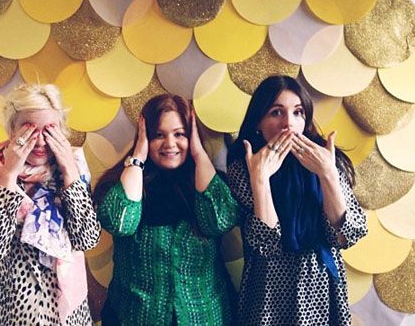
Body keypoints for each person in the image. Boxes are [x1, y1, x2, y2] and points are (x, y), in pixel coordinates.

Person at [227, 75, 367, 326]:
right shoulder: (243, 168)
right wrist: (260, 179)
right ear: (258, 121)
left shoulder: (326, 158)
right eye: (276, 112)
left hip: (320, 287)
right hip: (268, 292)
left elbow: (348, 235)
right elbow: (266, 245)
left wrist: (328, 174)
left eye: (297, 112)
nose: (288, 124)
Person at [94, 93, 238, 325]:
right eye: (158, 135)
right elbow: (121, 224)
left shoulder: (209, 181)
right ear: (144, 137)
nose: (170, 144)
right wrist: (138, 158)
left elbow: (218, 221)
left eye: (179, 134)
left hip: (204, 315)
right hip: (134, 315)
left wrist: (199, 154)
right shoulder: (124, 182)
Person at [0, 83, 101, 326]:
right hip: (6, 309)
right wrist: (8, 176)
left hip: (64, 311)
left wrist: (70, 174)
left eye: (49, 129)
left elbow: (87, 239)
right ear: (12, 130)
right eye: (30, 129)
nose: (40, 141)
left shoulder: (75, 168)